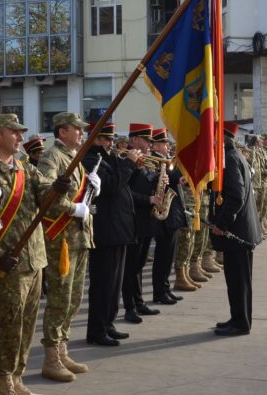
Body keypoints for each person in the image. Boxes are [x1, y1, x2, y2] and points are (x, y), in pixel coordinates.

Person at [0, 113, 77, 395]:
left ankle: (18, 378)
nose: (20, 137)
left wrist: (59, 188)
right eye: (14, 132)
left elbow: (47, 202)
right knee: (10, 325)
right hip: (8, 262)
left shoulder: (25, 167)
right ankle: (4, 387)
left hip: (35, 257)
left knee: (26, 325)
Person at [37, 112, 99, 380]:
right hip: (61, 238)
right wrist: (72, 208)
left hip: (78, 236)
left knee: (73, 298)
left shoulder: (74, 159)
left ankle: (62, 351)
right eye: (77, 129)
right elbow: (47, 195)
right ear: (62, 131)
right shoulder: (52, 157)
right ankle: (51, 357)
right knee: (60, 298)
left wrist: (92, 190)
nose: (81, 133)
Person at [83, 122, 135, 346]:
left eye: (112, 139)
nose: (111, 143)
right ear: (94, 139)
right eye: (106, 139)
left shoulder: (107, 157)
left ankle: (109, 323)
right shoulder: (89, 159)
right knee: (103, 282)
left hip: (119, 229)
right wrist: (129, 165)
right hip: (106, 229)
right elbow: (112, 185)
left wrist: (128, 162)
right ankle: (97, 329)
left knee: (114, 283)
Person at [211, 122, 262, 337]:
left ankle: (241, 323)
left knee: (238, 280)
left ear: (222, 138)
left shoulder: (230, 158)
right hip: (240, 231)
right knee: (236, 280)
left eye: (214, 137)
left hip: (236, 232)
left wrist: (222, 224)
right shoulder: (235, 156)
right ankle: (238, 317)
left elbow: (236, 196)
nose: (211, 141)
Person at [123, 123, 172, 317]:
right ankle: (129, 307)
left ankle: (139, 302)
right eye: (147, 140)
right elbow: (125, 192)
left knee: (140, 265)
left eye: (151, 141)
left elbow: (143, 182)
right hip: (133, 219)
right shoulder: (126, 159)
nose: (150, 144)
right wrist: (148, 199)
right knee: (131, 266)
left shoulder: (144, 159)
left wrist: (159, 181)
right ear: (134, 139)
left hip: (146, 220)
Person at [150, 129, 187, 304]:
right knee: (162, 255)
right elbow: (174, 177)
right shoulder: (156, 161)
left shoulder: (168, 160)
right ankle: (159, 291)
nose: (167, 146)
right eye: (164, 143)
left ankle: (165, 288)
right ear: (156, 144)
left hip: (172, 213)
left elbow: (179, 176)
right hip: (164, 215)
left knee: (168, 255)